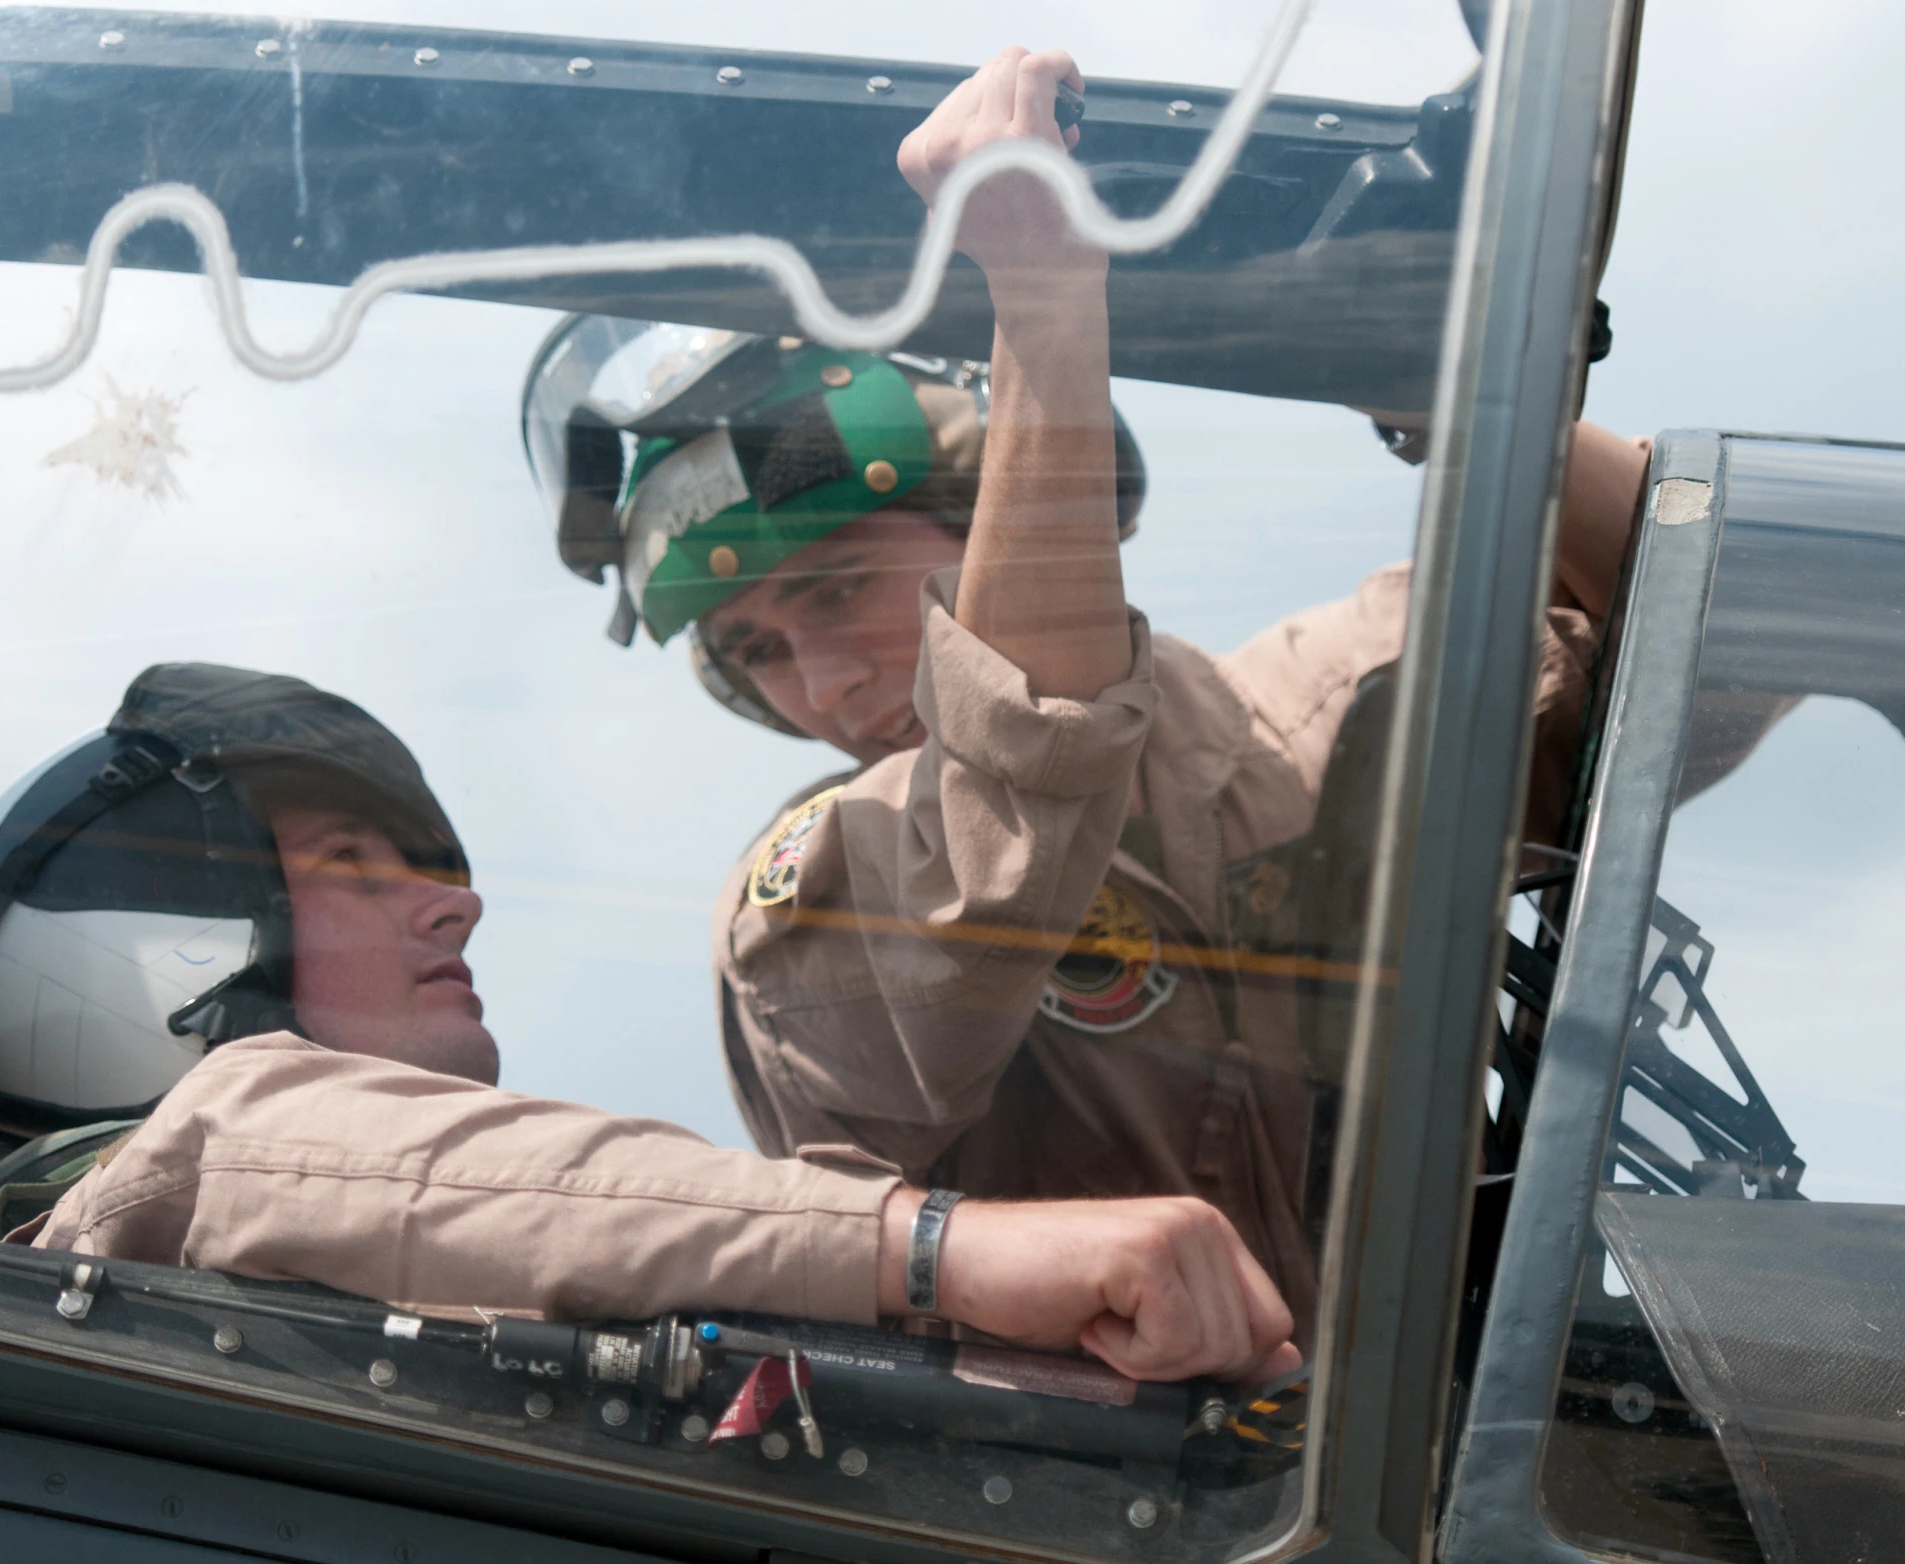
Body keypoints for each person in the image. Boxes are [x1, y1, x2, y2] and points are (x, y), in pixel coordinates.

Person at [522, 47, 1654, 1316]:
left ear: (983, 511)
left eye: (835, 590)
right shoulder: (814, 894)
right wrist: (1043, 301)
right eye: (756, 652)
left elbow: (1683, 622)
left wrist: (1445, 386)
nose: (822, 684)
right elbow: (1011, 785)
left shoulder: (1306, 716)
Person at [0, 661, 1296, 1384]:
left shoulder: (327, 1316)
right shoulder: (141, 1207)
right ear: (158, 956)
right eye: (353, 865)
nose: (453, 913)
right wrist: (941, 1251)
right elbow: (254, 1140)